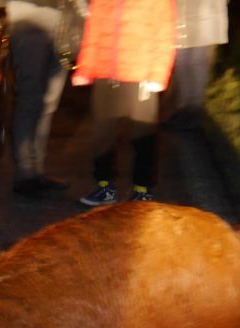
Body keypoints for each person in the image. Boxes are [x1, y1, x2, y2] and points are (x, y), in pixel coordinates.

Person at [72, 0, 177, 206]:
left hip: (141, 77)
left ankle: (142, 189)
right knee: (103, 136)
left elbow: (164, 36)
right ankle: (105, 187)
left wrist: (157, 75)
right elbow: (93, 31)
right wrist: (86, 68)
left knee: (142, 137)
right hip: (106, 75)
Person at [6, 0, 80, 198]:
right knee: (30, 98)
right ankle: (26, 172)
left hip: (62, 20)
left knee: (49, 102)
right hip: (30, 18)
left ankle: (36, 170)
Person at [165, 0, 227, 130]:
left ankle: (194, 109)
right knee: (181, 63)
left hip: (204, 17)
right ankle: (182, 108)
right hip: (181, 16)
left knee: (196, 62)